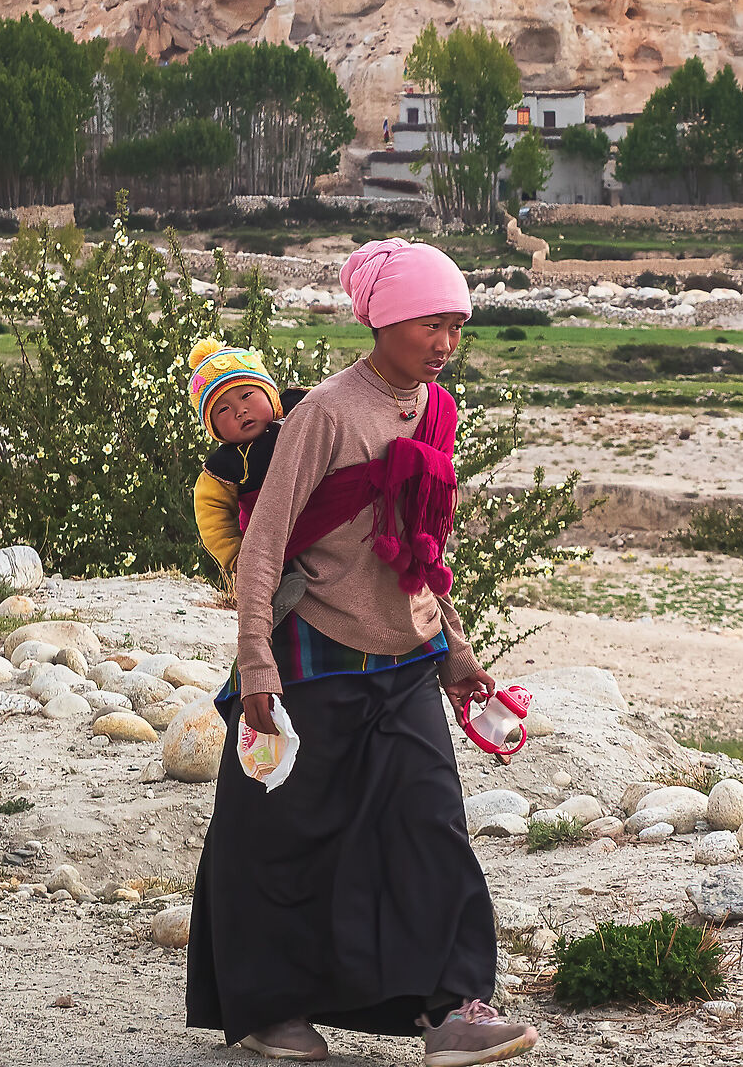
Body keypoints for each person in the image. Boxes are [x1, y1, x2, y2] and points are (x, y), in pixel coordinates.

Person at [186, 239, 538, 1065]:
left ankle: (450, 1008)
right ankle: (270, 1011)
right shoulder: (327, 414)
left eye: (456, 326)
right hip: (312, 651)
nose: (445, 343)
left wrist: (454, 649)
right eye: (429, 324)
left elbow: (418, 546)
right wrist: (257, 667)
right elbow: (264, 545)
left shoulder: (434, 410)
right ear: (381, 321)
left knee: (431, 825)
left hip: (403, 658)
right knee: (283, 831)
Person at [185, 338, 308, 587]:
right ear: (214, 429)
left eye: (247, 395)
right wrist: (240, 558)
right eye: (223, 410)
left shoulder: (302, 410)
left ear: (270, 394)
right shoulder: (225, 466)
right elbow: (213, 517)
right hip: (276, 543)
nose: (240, 410)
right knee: (277, 576)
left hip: (326, 516)